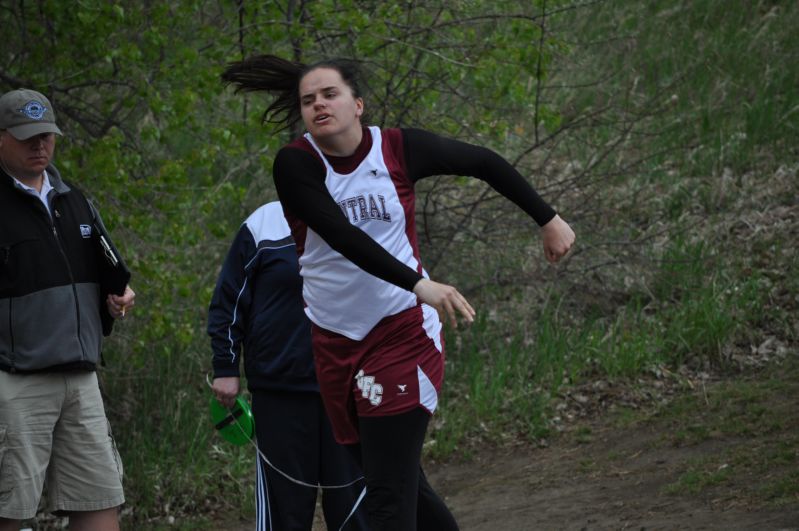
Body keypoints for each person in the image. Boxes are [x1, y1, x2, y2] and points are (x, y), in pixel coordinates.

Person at [221, 55, 575, 530]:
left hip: (402, 333)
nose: (318, 105)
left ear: (358, 104)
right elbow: (339, 234)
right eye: (308, 100)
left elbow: (483, 162)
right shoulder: (295, 163)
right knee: (398, 481)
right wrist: (420, 281)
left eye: (330, 95)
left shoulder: (398, 149)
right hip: (335, 343)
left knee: (387, 500)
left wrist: (548, 219)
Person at [0, 88, 135, 531]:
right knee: (8, 510)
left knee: (99, 504)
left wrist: (117, 300)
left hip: (81, 378)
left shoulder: (74, 199)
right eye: (26, 136)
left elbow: (107, 273)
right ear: (1, 138)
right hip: (15, 383)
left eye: (46, 135)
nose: (39, 145)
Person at [207, 201, 369, 531]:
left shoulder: (356, 214)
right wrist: (225, 367)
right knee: (285, 515)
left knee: (354, 509)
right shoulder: (263, 224)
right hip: (280, 392)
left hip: (347, 389)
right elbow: (228, 300)